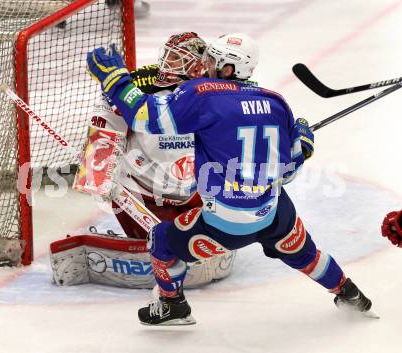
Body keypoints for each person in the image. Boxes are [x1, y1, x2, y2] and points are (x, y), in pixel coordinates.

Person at [86, 33, 373, 325]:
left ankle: (173, 306)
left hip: (228, 223)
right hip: (273, 211)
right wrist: (303, 144)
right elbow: (288, 171)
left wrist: (115, 79)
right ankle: (351, 294)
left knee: (161, 239)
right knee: (304, 253)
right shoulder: (275, 102)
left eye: (212, 60)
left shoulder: (203, 93)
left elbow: (147, 117)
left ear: (227, 69)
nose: (205, 64)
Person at [61, 32, 235, 289]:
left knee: (208, 234)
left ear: (198, 65)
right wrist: (97, 173)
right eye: (167, 56)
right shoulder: (138, 84)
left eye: (176, 59)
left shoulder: (212, 89)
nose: (167, 64)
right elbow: (107, 124)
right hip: (143, 189)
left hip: (194, 188)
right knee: (164, 243)